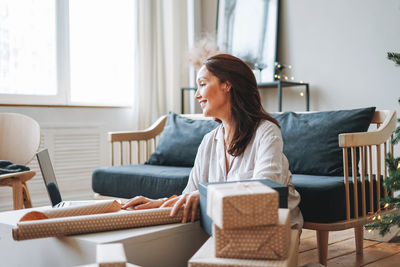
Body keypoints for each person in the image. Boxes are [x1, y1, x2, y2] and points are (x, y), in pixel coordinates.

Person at [122, 54, 303, 229]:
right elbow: (190, 194)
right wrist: (158, 203)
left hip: (272, 229)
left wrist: (205, 194)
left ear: (227, 84)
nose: (197, 95)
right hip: (225, 227)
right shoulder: (209, 141)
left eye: (202, 84)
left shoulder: (266, 131)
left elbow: (265, 191)